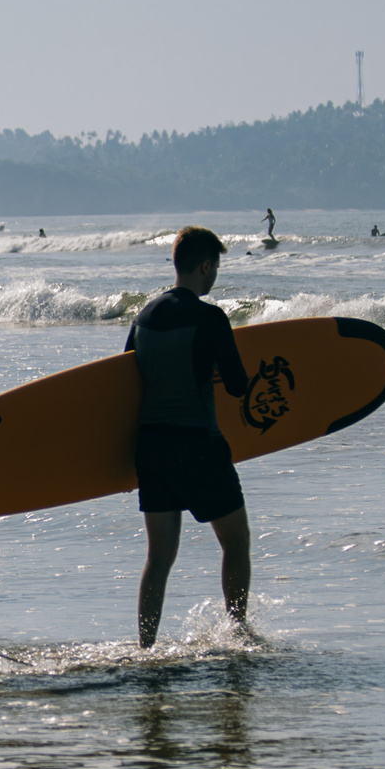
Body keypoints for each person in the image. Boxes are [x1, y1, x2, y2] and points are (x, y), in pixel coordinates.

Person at [128, 226, 252, 647]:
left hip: (151, 449)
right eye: (215, 268)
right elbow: (237, 385)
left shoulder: (142, 316)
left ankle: (145, 647)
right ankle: (235, 632)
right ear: (204, 266)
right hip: (198, 445)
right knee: (235, 542)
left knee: (159, 558)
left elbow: (126, 380)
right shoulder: (211, 317)